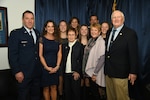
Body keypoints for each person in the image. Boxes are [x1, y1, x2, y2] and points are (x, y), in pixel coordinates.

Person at [104, 10, 138, 100]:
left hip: (121, 73)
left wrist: (133, 72)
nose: (116, 19)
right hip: (108, 73)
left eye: (118, 17)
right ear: (111, 20)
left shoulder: (130, 33)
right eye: (113, 17)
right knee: (110, 97)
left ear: (123, 19)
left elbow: (133, 54)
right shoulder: (108, 32)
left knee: (121, 97)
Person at [8, 10, 41, 100]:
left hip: (36, 73)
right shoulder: (16, 34)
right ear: (23, 20)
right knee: (23, 96)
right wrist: (17, 71)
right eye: (27, 18)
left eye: (32, 18)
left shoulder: (37, 33)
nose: (30, 21)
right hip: (23, 73)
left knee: (36, 96)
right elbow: (12, 54)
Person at [39, 20, 62, 100]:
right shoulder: (42, 39)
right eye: (48, 26)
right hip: (45, 67)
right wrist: (46, 67)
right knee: (46, 88)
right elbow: (40, 55)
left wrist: (57, 66)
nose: (50, 28)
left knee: (54, 87)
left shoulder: (58, 39)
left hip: (55, 66)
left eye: (52, 26)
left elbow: (59, 54)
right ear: (45, 28)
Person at [83, 23, 105, 100]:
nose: (93, 32)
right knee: (92, 91)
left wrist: (95, 73)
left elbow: (102, 58)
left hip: (96, 71)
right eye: (92, 30)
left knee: (96, 93)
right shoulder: (91, 40)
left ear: (99, 32)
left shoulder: (101, 41)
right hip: (90, 71)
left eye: (95, 30)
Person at [62, 27, 84, 100]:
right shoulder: (64, 46)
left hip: (75, 73)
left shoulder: (80, 46)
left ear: (76, 35)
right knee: (67, 93)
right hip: (66, 73)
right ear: (67, 35)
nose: (71, 36)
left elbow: (82, 60)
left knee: (76, 93)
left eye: (72, 35)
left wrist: (78, 71)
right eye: (69, 34)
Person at [58, 20, 68, 100]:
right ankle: (60, 96)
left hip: (68, 62)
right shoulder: (56, 38)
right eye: (61, 25)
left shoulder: (70, 37)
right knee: (60, 79)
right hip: (59, 62)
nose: (63, 27)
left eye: (64, 25)